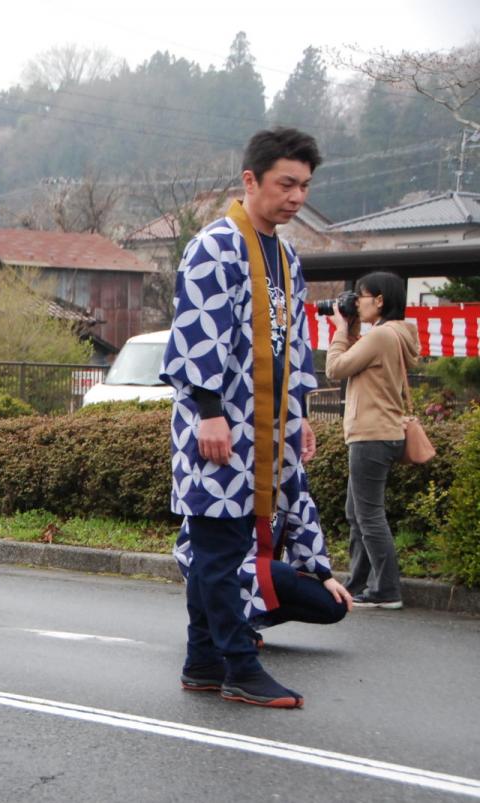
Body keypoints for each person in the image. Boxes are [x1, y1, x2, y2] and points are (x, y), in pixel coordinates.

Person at [161, 127, 326, 709]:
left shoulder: (285, 254)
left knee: (225, 545)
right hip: (220, 424)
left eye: (305, 185)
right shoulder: (215, 245)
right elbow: (196, 333)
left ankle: (203, 660)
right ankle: (238, 663)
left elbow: (296, 346)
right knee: (219, 546)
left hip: (266, 427)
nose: (297, 197)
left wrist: (300, 413)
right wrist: (208, 412)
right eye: (286, 183)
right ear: (250, 179)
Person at [326, 271, 419, 610]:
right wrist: (350, 329)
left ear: (379, 300)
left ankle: (386, 590)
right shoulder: (392, 335)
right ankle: (360, 582)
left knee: (369, 514)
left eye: (361, 296)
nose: (357, 302)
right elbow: (357, 360)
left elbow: (336, 367)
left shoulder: (382, 336)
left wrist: (338, 330)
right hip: (380, 433)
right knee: (357, 512)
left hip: (372, 436)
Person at [174, 530, 350, 642]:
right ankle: (223, 623)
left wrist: (325, 575)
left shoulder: (286, 474)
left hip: (263, 569)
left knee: (335, 606)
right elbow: (186, 547)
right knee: (282, 574)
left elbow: (301, 515)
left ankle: (246, 622)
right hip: (218, 566)